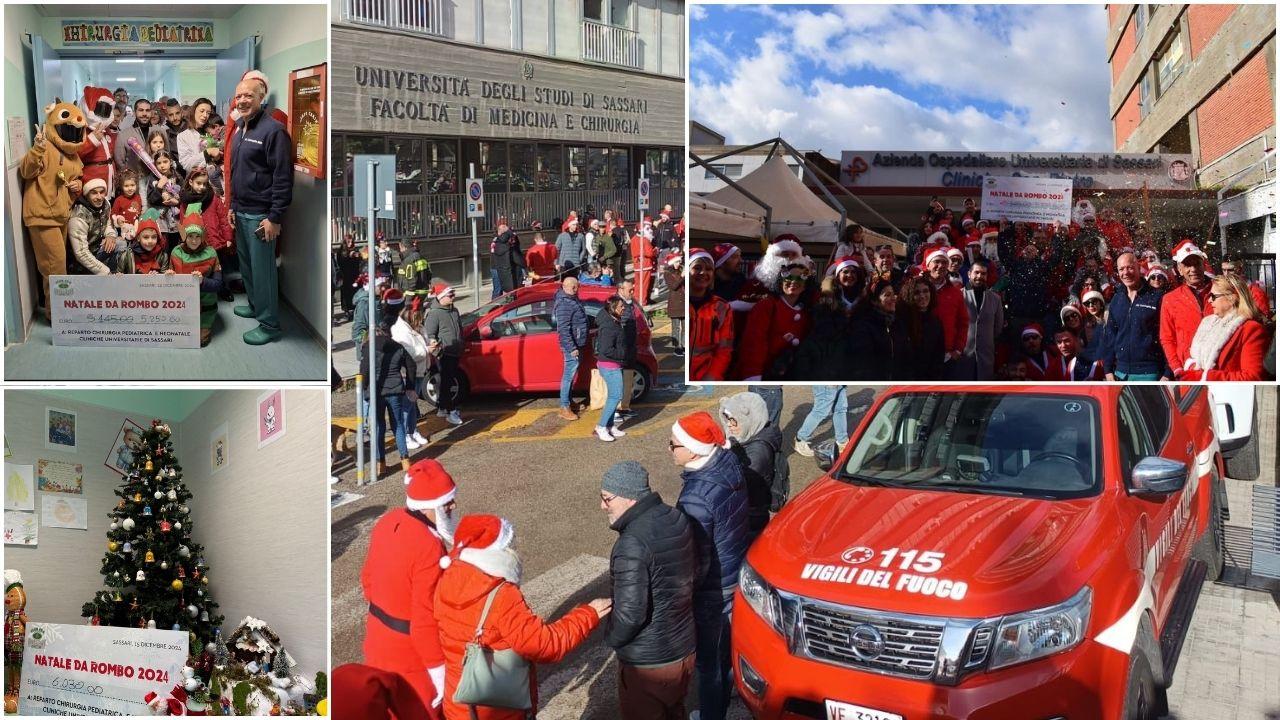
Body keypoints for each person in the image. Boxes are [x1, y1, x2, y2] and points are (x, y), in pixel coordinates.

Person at [434, 515, 610, 720]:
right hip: (498, 710)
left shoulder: (446, 579)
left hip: (459, 704)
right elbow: (544, 645)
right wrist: (588, 615)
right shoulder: (502, 595)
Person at [360, 459, 459, 715]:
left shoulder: (388, 520)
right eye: (448, 502)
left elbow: (367, 581)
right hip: (411, 657)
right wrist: (440, 673)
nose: (453, 506)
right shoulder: (430, 546)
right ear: (432, 506)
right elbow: (424, 619)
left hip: (377, 640)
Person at [600, 462, 698, 720]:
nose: (603, 506)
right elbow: (698, 569)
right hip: (683, 650)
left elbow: (631, 615)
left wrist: (612, 638)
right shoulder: (675, 516)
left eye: (607, 498)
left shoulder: (631, 544)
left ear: (629, 498)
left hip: (649, 664)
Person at [671, 412, 748, 720]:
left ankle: (712, 714)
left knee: (708, 664)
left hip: (712, 590)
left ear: (693, 449)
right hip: (733, 575)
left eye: (674, 444)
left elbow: (696, 559)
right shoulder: (728, 463)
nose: (670, 449)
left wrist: (686, 595)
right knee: (727, 652)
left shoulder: (695, 499)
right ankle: (726, 701)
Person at [227, 75, 294, 346]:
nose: (242, 100)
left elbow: (282, 177)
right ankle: (255, 306)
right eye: (239, 95)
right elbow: (237, 172)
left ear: (261, 98)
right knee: (247, 267)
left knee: (263, 271)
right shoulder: (241, 127)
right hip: (241, 210)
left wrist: (274, 217)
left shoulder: (273, 131)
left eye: (249, 96)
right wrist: (232, 206)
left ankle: (269, 324)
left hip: (260, 215)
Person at [360, 292, 418, 476]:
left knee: (378, 427)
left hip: (376, 390)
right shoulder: (396, 346)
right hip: (395, 389)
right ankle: (405, 461)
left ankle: (380, 463)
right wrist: (409, 386)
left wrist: (364, 390)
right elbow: (411, 364)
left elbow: (364, 371)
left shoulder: (368, 347)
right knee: (398, 425)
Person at [719, 392, 785, 542]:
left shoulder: (757, 454)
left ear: (750, 418)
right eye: (728, 419)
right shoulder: (757, 433)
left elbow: (736, 483)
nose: (729, 424)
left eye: (734, 420)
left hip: (751, 512)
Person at [733, 262, 813, 380]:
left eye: (799, 278)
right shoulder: (766, 306)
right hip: (764, 373)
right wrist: (754, 375)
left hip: (790, 375)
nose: (793, 282)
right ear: (781, 282)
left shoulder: (806, 313)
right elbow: (753, 344)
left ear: (805, 285)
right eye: (789, 277)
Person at [1183, 274, 1271, 381]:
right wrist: (1193, 367)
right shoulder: (1208, 323)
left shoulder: (1251, 329)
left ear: (1232, 298)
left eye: (1213, 296)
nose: (1209, 300)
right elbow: (1195, 356)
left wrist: (1206, 377)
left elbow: (1252, 377)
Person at [1100, 252, 1166, 381]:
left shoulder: (1156, 297)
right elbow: (1110, 336)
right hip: (1120, 373)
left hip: (1149, 372)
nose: (1126, 273)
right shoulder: (1117, 299)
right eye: (1121, 269)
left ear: (1138, 268)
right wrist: (1108, 370)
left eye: (1130, 267)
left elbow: (1167, 336)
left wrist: (1168, 373)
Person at [169, 204, 223, 346]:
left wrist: (202, 281)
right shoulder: (176, 253)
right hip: (182, 300)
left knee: (199, 338)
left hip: (205, 300)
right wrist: (168, 276)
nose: (194, 240)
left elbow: (218, 284)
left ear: (203, 236)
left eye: (197, 236)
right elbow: (170, 283)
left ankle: (205, 325)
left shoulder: (211, 253)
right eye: (190, 236)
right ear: (184, 236)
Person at [1160, 239, 1215, 377]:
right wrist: (1177, 367)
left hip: (1218, 369)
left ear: (1204, 264)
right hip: (1188, 371)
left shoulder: (1220, 292)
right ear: (1179, 269)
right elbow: (1167, 338)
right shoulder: (1170, 299)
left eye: (1197, 264)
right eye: (1187, 265)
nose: (1193, 269)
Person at [68, 178, 133, 275]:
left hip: (97, 248)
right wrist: (105, 272)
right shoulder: (79, 217)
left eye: (102, 192)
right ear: (87, 195)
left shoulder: (105, 204)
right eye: (94, 193)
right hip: (80, 262)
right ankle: (106, 277)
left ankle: (115, 275)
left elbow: (107, 223)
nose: (99, 197)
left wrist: (110, 235)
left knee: (121, 243)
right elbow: (81, 253)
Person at [920, 246, 970, 370]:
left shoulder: (955, 292)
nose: (941, 265)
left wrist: (958, 350)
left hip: (947, 356)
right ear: (928, 265)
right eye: (937, 262)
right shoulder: (916, 289)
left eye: (944, 262)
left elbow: (963, 322)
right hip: (920, 353)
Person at [422, 284, 465, 426]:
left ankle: (441, 408)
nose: (453, 297)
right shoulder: (434, 314)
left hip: (455, 351)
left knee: (447, 381)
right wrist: (437, 352)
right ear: (441, 297)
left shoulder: (454, 311)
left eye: (453, 294)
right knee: (446, 383)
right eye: (450, 295)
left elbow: (460, 328)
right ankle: (450, 412)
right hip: (444, 353)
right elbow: (430, 335)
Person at [688, 251, 734, 382]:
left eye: (709, 269)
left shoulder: (722, 307)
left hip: (706, 377)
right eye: (697, 268)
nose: (703, 273)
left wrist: (712, 376)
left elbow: (725, 349)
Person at [849, 279, 907, 381]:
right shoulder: (864, 326)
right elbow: (863, 363)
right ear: (875, 301)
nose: (893, 298)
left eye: (893, 294)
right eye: (887, 295)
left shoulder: (897, 322)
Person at [391, 305, 431, 451]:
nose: (420, 322)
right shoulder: (401, 332)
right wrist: (427, 350)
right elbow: (409, 355)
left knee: (413, 404)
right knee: (406, 405)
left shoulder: (417, 328)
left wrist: (429, 343)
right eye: (418, 319)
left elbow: (422, 344)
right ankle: (406, 434)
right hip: (406, 372)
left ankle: (413, 430)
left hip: (419, 370)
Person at [593, 297, 633, 443]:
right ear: (613, 308)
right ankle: (601, 426)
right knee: (616, 396)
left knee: (614, 396)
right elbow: (606, 349)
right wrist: (623, 355)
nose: (624, 308)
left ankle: (609, 426)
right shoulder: (609, 325)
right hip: (610, 366)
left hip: (612, 365)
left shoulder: (613, 321)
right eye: (621, 306)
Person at [962, 259, 1004, 380]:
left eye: (983, 274)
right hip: (963, 357)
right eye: (976, 272)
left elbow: (998, 327)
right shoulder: (959, 296)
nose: (979, 276)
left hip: (986, 358)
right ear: (969, 274)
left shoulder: (995, 299)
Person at [554, 277, 589, 420]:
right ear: (569, 287)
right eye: (575, 287)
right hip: (572, 347)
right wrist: (572, 347)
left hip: (576, 343)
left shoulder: (570, 299)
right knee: (568, 376)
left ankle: (569, 402)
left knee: (571, 375)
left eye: (577, 287)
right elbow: (563, 329)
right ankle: (564, 407)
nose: (577, 289)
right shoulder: (565, 304)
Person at [899, 276, 946, 380]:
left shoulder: (935, 322)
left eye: (925, 291)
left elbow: (938, 355)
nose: (922, 296)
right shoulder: (903, 321)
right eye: (917, 293)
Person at [146, 145, 184, 249]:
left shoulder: (177, 176)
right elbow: (151, 199)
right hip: (161, 221)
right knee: (163, 247)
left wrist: (177, 202)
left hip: (176, 221)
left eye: (165, 162)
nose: (162, 165)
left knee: (176, 245)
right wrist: (159, 187)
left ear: (170, 162)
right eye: (159, 163)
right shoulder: (152, 179)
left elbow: (185, 196)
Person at [114, 98, 161, 179]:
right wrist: (130, 177)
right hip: (134, 183)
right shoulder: (124, 134)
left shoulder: (160, 131)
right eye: (141, 110)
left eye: (147, 110)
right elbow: (120, 162)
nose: (144, 113)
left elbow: (166, 154)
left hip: (157, 181)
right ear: (135, 112)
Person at [175, 97, 216, 175]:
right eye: (202, 111)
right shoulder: (183, 136)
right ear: (193, 111)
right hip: (195, 181)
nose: (205, 115)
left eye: (208, 113)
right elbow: (187, 164)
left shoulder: (211, 134)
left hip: (213, 181)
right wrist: (207, 153)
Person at [130, 211, 171, 275]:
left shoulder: (162, 256)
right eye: (146, 237)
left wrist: (159, 276)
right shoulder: (129, 255)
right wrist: (118, 275)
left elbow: (164, 280)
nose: (150, 241)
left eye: (154, 237)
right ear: (138, 238)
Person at [397, 239, 433, 310]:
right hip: (422, 292)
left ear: (405, 247)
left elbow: (412, 279)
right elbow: (429, 274)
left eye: (400, 248)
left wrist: (408, 299)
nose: (400, 250)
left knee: (411, 315)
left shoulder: (409, 260)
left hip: (412, 294)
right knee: (419, 314)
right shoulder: (420, 256)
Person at [110, 171, 145, 242]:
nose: (130, 188)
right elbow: (113, 214)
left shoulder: (138, 198)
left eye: (132, 185)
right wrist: (117, 220)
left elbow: (139, 212)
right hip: (123, 230)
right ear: (121, 186)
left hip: (135, 229)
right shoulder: (119, 200)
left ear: (136, 185)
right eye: (126, 186)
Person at [631, 218, 659, 303]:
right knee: (644, 284)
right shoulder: (645, 240)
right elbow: (649, 253)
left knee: (638, 283)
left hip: (637, 264)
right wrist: (655, 251)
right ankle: (642, 301)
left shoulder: (633, 239)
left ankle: (636, 299)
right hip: (646, 264)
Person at [664, 252, 686, 357]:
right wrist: (682, 276)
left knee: (685, 327)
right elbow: (673, 286)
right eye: (677, 261)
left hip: (684, 303)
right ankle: (677, 347)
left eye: (679, 261)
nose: (679, 263)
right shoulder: (668, 273)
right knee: (676, 327)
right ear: (672, 262)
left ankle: (684, 346)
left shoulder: (681, 270)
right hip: (675, 303)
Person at [337, 234, 363, 319]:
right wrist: (349, 255)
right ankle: (347, 311)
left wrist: (358, 256)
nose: (350, 243)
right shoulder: (341, 251)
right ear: (345, 242)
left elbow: (360, 260)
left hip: (355, 275)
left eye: (352, 241)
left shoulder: (355, 249)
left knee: (355, 292)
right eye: (348, 241)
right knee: (346, 294)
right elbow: (341, 262)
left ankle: (354, 309)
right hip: (346, 276)